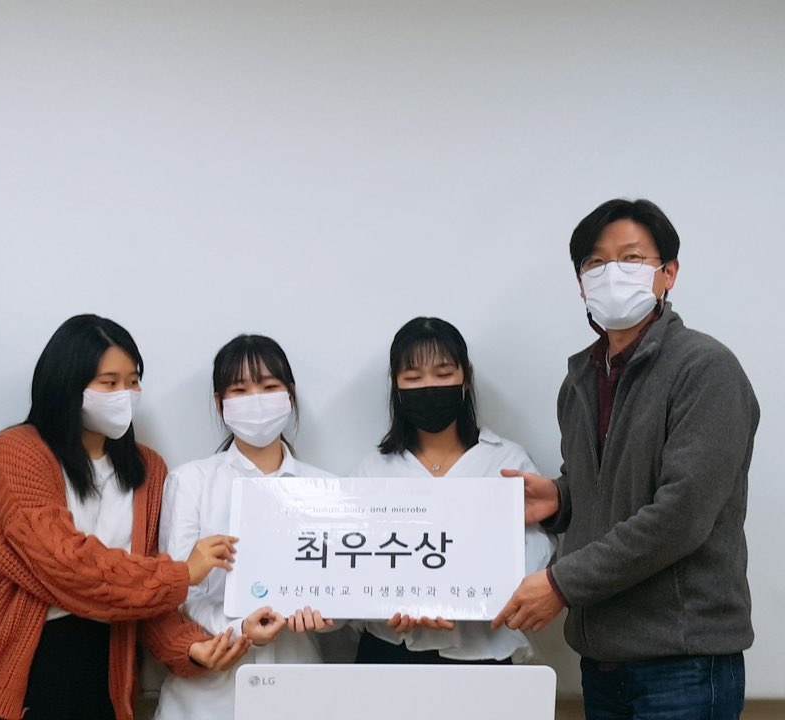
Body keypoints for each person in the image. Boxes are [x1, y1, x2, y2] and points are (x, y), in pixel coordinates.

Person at [493, 199, 759, 719]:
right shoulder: (581, 381)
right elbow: (614, 486)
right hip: (602, 663)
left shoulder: (705, 370)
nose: (612, 273)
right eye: (596, 263)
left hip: (682, 663)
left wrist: (560, 584)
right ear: (581, 284)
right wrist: (562, 498)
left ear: (669, 273)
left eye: (632, 258)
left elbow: (681, 516)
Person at [0, 315, 248, 720]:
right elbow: (64, 565)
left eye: (133, 381)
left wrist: (189, 647)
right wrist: (182, 574)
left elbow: (143, 590)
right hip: (32, 666)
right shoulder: (17, 452)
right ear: (67, 383)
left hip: (109, 672)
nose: (126, 395)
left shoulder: (148, 469)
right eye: (109, 382)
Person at [351, 316, 556, 664]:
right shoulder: (372, 471)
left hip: (484, 651)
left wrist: (470, 600)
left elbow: (537, 550)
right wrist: (389, 602)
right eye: (413, 378)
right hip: (390, 649)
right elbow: (350, 560)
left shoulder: (507, 461)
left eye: (443, 373)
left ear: (466, 377)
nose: (429, 386)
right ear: (396, 386)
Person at [155, 334, 332, 720]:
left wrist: (328, 616)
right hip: (207, 697)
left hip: (297, 685)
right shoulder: (190, 482)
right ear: (220, 404)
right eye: (240, 390)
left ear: (290, 395)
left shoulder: (325, 488)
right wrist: (238, 629)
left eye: (269, 387)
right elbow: (176, 591)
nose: (256, 400)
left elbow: (346, 590)